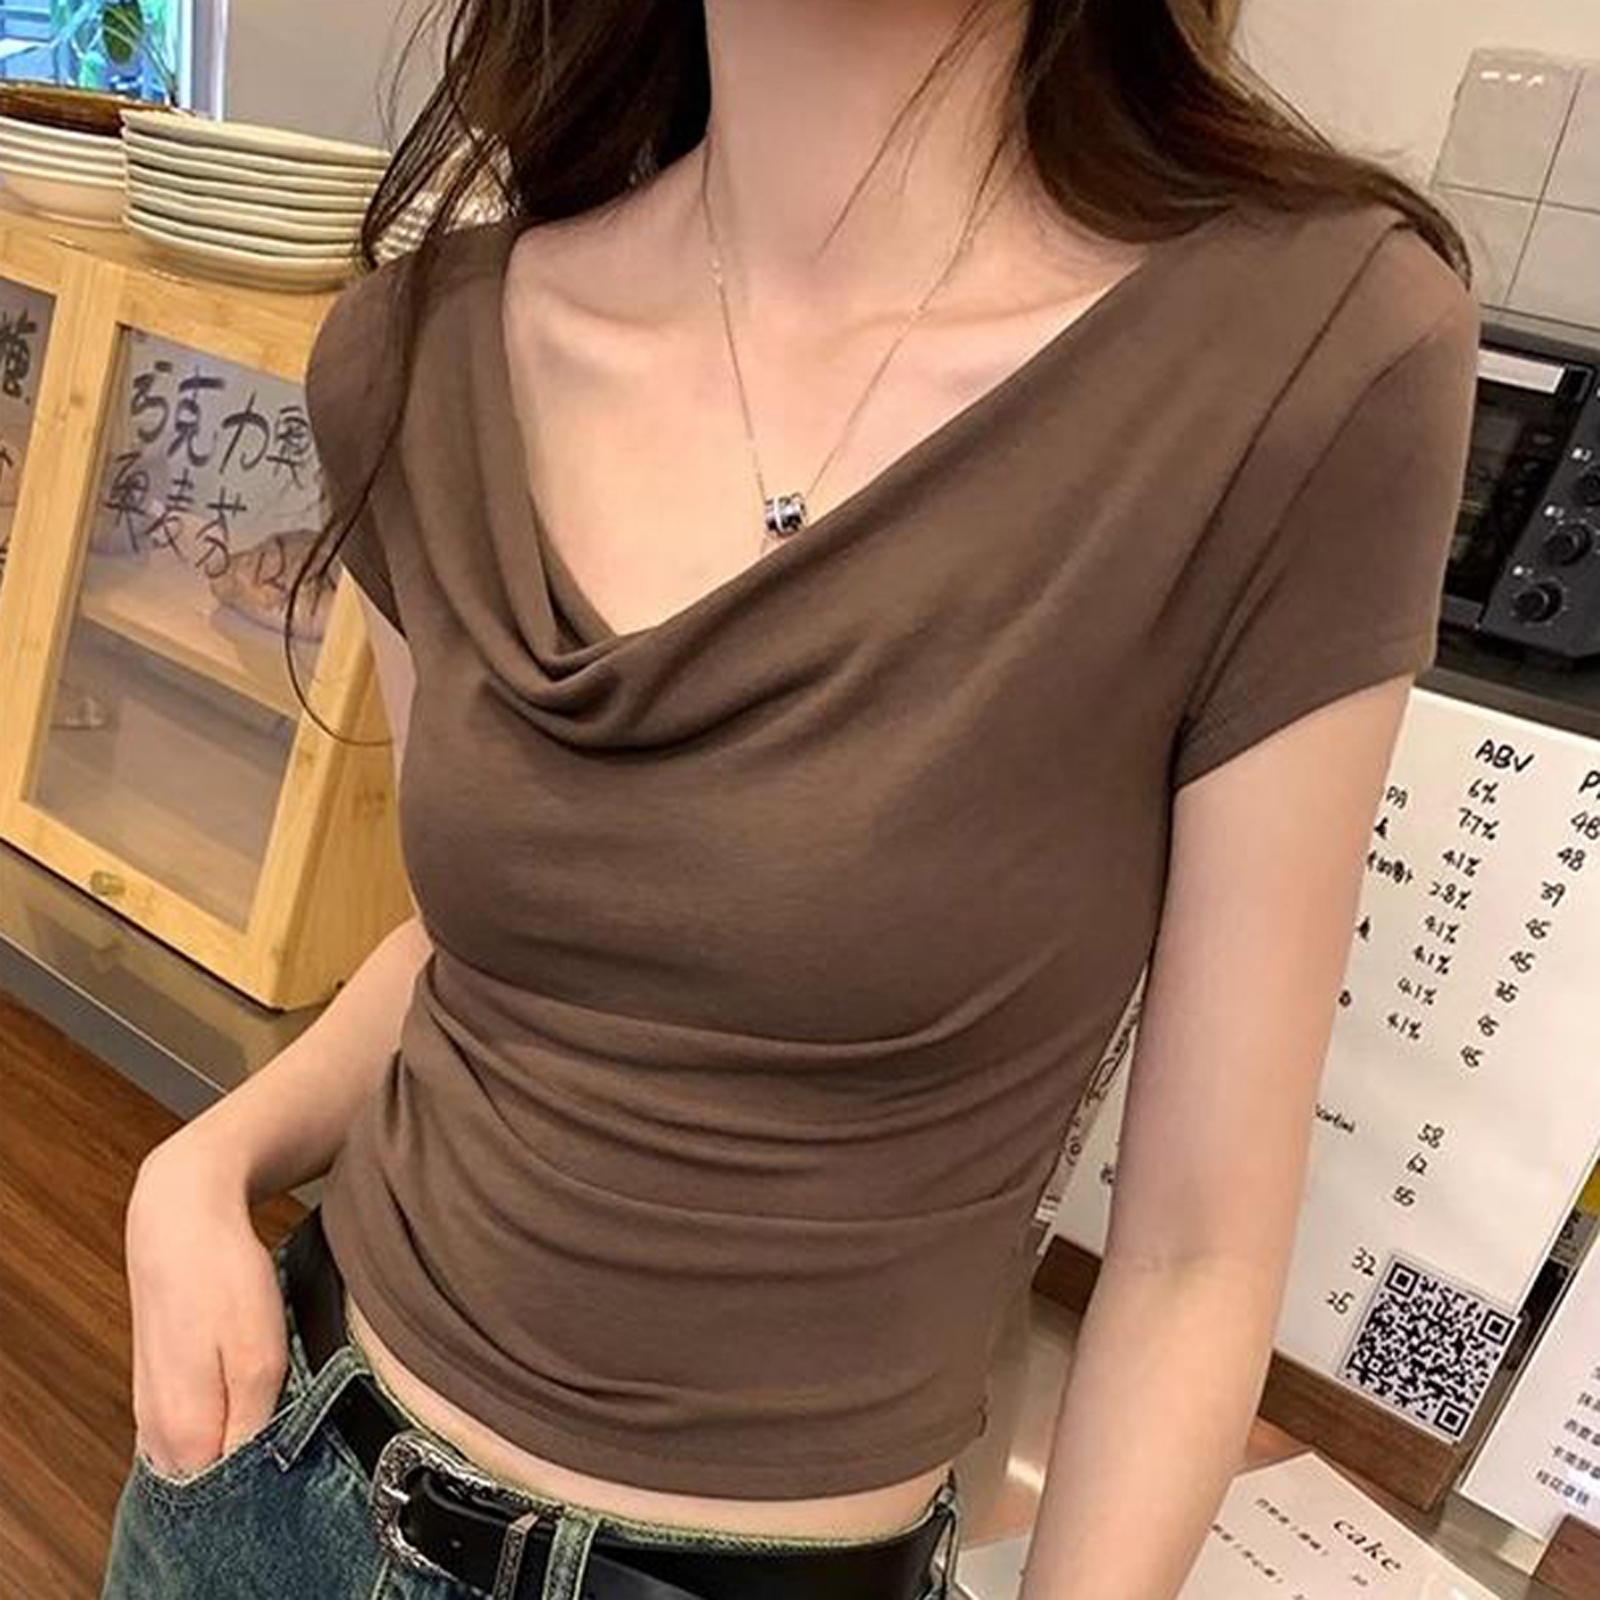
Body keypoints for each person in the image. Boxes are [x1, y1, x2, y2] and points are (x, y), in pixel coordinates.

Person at [99, 1, 1480, 1597]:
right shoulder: (423, 347)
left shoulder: (1310, 358)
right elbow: (477, 957)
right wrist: (200, 1166)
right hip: (272, 1482)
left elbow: (1194, 1253)